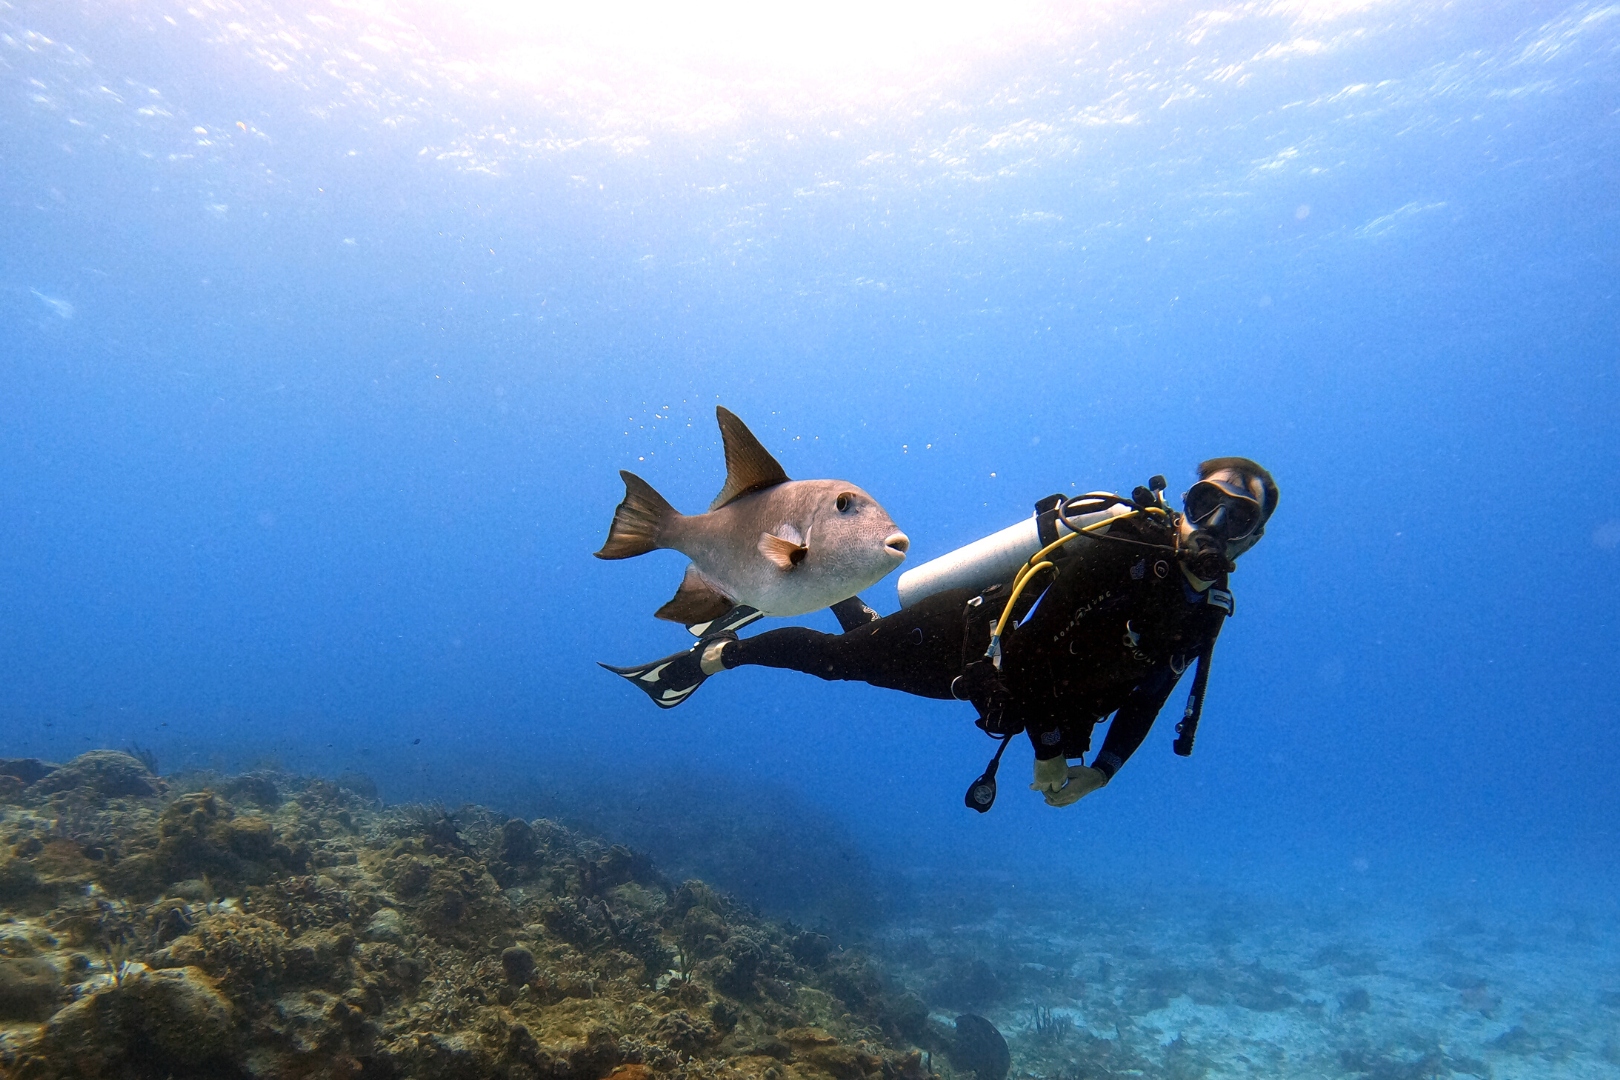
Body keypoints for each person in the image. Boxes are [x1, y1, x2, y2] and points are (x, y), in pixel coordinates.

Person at [605, 458, 1277, 809]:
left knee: (865, 645)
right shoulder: (1121, 548)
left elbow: (1154, 690)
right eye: (1203, 504)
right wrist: (1048, 749)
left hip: (995, 690)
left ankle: (840, 591)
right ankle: (718, 656)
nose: (1213, 526)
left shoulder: (1206, 608)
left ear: (1254, 540)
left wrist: (1104, 769)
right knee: (841, 662)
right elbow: (1036, 650)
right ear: (1182, 507)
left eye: (1237, 518)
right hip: (958, 638)